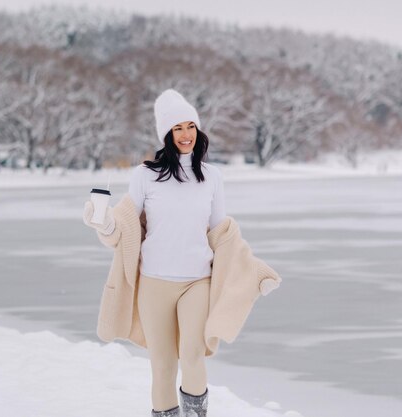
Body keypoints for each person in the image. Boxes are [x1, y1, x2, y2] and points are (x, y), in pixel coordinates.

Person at [83, 88, 281, 417]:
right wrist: (103, 223)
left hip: (196, 282)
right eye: (178, 128)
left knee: (192, 357)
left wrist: (253, 269)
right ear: (167, 134)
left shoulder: (212, 177)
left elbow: (222, 234)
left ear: (198, 131)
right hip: (154, 282)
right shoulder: (146, 175)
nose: (186, 134)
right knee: (162, 365)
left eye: (190, 126)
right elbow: (125, 226)